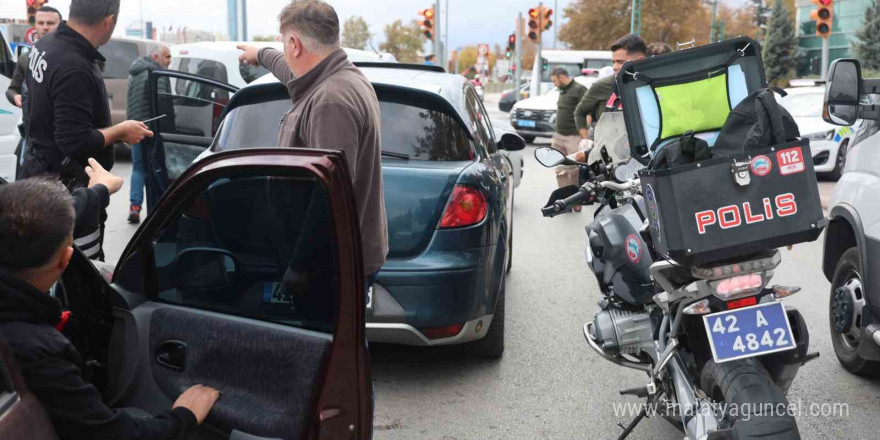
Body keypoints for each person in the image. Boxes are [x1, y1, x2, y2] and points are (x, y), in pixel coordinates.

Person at [0, 177, 221, 440]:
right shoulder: (39, 352)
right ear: (66, 260)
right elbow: (112, 434)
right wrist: (185, 415)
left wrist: (98, 191)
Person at [237, 0, 388, 288]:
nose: (284, 52)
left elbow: (328, 194)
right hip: (338, 259)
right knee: (348, 335)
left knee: (332, 335)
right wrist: (262, 54)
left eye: (284, 44)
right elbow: (290, 72)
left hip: (327, 268)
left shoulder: (331, 101)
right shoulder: (341, 77)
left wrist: (299, 267)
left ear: (294, 44)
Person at [20, 0, 153, 187]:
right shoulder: (74, 66)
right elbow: (75, 141)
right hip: (62, 188)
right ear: (109, 21)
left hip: (39, 169)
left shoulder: (46, 43)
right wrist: (121, 131)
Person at [6, 6, 62, 174]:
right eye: (41, 23)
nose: (45, 27)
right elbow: (12, 89)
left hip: (61, 134)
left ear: (60, 25)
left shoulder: (68, 56)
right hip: (32, 137)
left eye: (50, 23)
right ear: (35, 26)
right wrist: (16, 97)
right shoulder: (26, 58)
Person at [125, 44, 172, 224]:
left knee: (138, 168)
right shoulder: (157, 73)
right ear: (155, 57)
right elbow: (163, 101)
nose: (169, 61)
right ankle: (158, 210)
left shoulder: (134, 73)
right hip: (152, 129)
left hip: (135, 127)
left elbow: (131, 101)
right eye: (167, 57)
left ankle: (135, 207)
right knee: (156, 169)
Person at [574, 34, 647, 141]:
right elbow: (580, 112)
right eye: (613, 62)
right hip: (605, 154)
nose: (614, 67)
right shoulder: (601, 86)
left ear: (640, 60)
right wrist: (586, 142)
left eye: (620, 62)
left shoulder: (652, 85)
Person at [549, 68, 587, 198]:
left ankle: (575, 198)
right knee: (559, 168)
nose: (553, 84)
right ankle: (564, 197)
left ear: (561, 77)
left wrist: (585, 137)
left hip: (573, 136)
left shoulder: (579, 89)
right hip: (558, 135)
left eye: (554, 81)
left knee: (574, 170)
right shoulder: (563, 90)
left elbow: (586, 112)